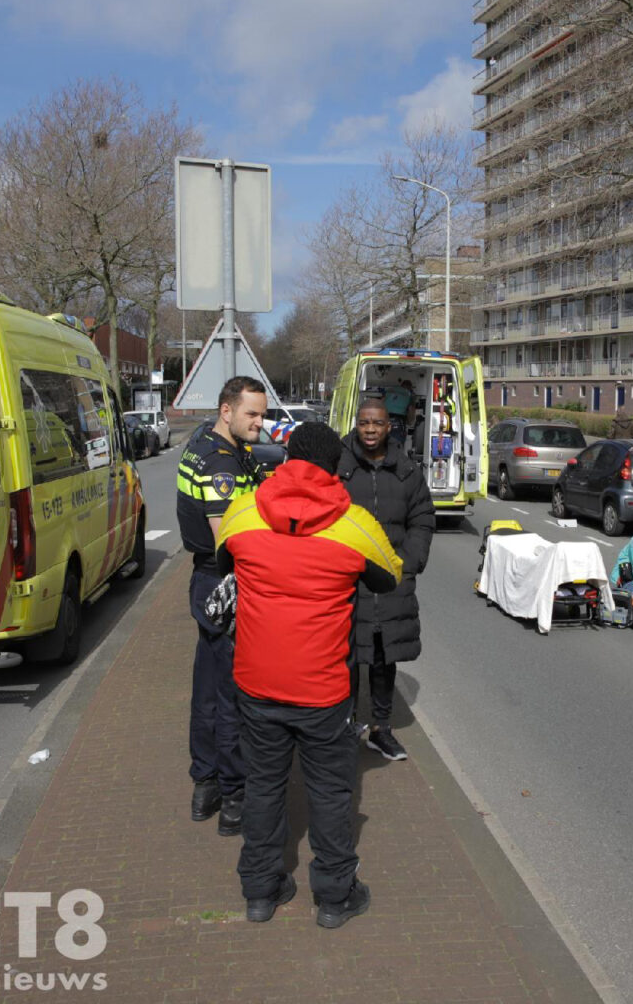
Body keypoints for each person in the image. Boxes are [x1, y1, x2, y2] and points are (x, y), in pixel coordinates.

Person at [216, 422, 403, 928]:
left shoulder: (244, 511)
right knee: (330, 792)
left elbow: (221, 555)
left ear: (285, 460)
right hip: (322, 687)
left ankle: (260, 892)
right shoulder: (353, 521)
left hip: (256, 681)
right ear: (335, 466)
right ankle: (334, 898)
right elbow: (391, 574)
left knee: (262, 786)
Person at [175, 376, 267, 835]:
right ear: (226, 410)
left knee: (208, 687)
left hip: (206, 582)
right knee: (231, 694)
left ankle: (204, 784)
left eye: (262, 414)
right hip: (225, 581)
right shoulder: (220, 465)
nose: (260, 422)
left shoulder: (207, 447)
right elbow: (226, 539)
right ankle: (233, 796)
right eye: (251, 414)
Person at [338, 399, 437, 762]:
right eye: (364, 423)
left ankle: (382, 729)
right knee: (345, 657)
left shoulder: (407, 470)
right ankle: (344, 727)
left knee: (383, 658)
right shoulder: (339, 466)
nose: (369, 430)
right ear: (356, 424)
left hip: (390, 582)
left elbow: (423, 518)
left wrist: (407, 564)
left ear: (389, 427)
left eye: (377, 423)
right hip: (346, 582)